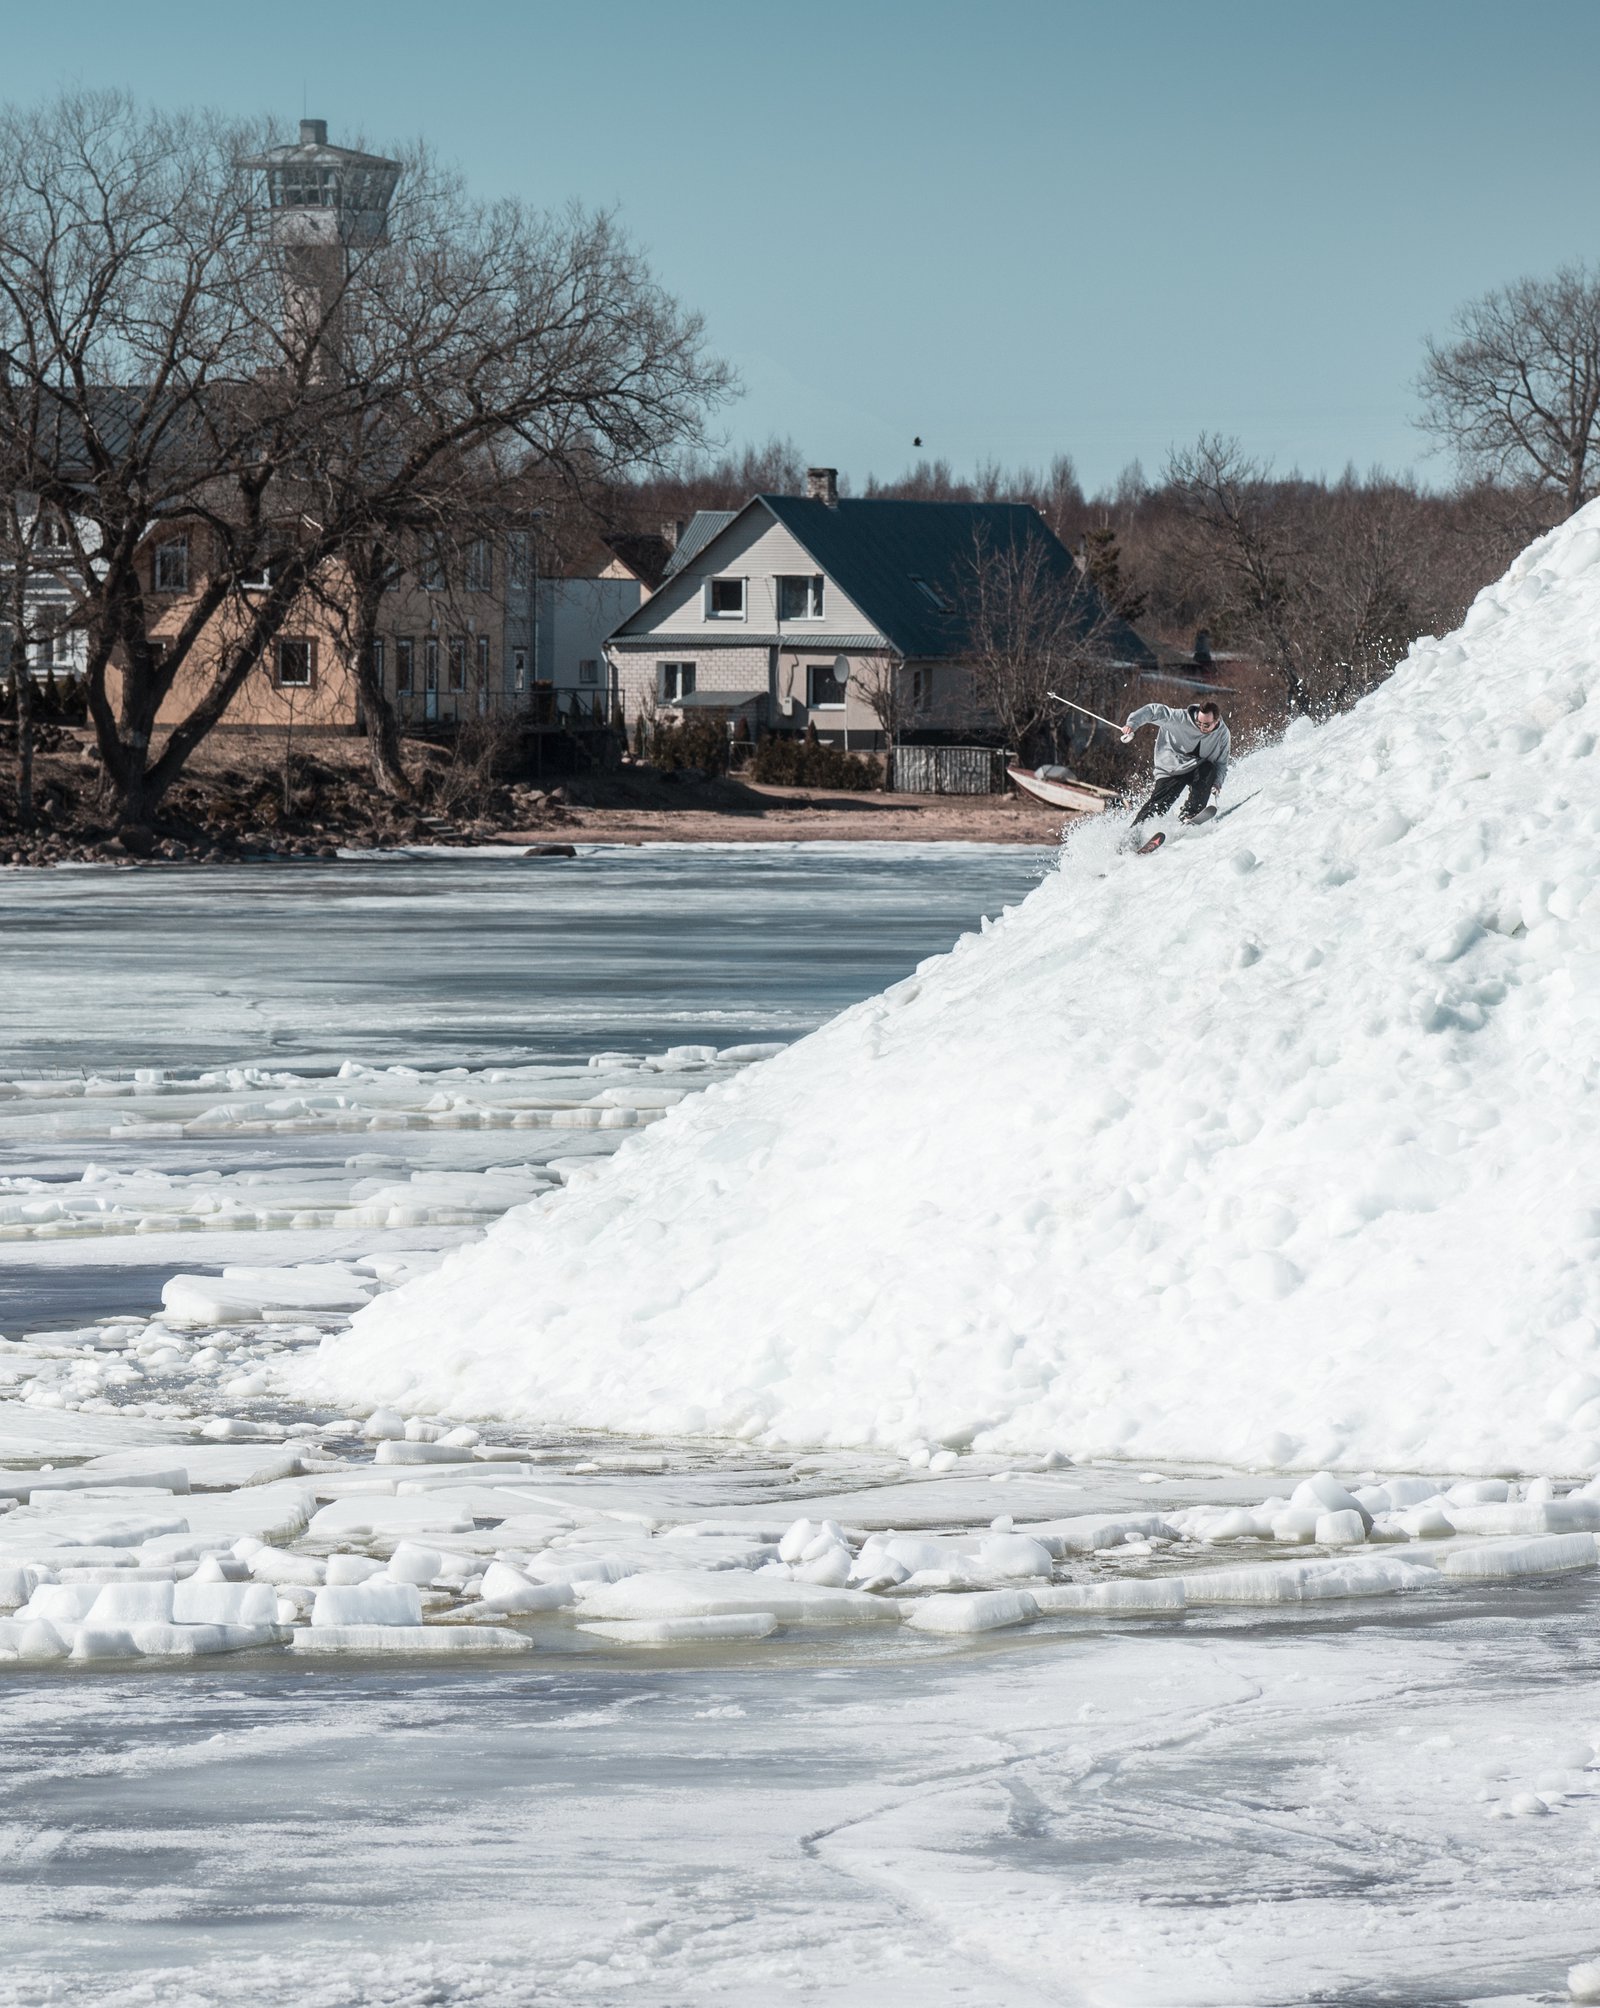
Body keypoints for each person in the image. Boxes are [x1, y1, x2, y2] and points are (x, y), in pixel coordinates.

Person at [1122, 699, 1230, 828]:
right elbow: (1153, 710)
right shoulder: (1180, 718)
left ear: (1216, 721)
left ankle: (1190, 814)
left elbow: (1222, 763)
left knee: (1209, 769)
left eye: (1206, 725)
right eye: (1198, 722)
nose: (1201, 727)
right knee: (1159, 804)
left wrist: (1217, 783)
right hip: (1172, 767)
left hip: (1197, 767)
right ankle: (1134, 833)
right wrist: (1133, 723)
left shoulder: (1223, 734)